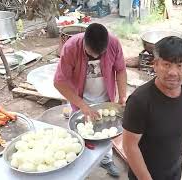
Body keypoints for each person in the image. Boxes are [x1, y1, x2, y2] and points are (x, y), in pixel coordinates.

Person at [54, 23, 127, 177]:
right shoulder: (71, 47)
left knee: (106, 133)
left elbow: (120, 70)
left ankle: (106, 160)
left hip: (106, 96)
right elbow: (59, 82)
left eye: (100, 54)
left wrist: (122, 96)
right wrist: (82, 105)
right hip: (79, 98)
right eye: (91, 54)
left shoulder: (113, 43)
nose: (96, 57)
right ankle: (80, 167)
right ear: (84, 42)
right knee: (80, 135)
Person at [122, 36, 182, 180]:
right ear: (155, 64)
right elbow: (129, 146)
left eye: (180, 65)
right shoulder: (140, 101)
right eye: (167, 64)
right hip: (146, 174)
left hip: (175, 168)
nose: (173, 72)